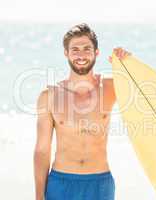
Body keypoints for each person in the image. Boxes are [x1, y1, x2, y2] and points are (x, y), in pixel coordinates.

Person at [33, 23, 131, 200]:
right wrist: (39, 196)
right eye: (75, 49)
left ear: (96, 52)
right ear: (66, 53)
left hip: (100, 184)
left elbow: (143, 94)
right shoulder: (49, 96)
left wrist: (127, 65)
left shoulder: (111, 87)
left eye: (87, 49)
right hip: (60, 183)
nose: (81, 55)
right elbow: (42, 151)